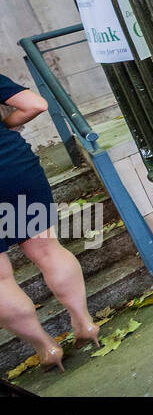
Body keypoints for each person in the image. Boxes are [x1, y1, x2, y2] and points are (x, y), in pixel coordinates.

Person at [0, 75, 99, 371]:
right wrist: (4, 126)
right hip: (12, 166)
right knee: (47, 250)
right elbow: (36, 104)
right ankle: (85, 324)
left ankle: (47, 348)